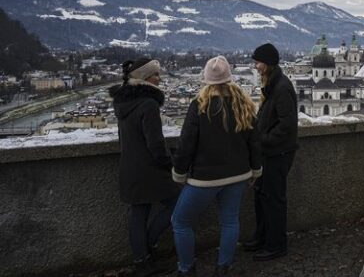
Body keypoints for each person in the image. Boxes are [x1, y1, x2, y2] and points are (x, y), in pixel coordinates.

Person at [171, 56, 262, 276]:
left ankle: (186, 268)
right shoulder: (243, 104)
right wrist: (256, 170)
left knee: (180, 221)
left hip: (205, 178)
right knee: (230, 221)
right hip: (238, 175)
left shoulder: (199, 105)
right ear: (228, 77)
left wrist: (179, 173)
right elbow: (255, 142)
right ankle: (223, 267)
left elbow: (186, 144)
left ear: (207, 79)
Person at [109, 58, 178, 277]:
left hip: (130, 167)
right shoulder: (148, 104)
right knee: (178, 204)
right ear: (144, 78)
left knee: (138, 214)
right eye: (155, 75)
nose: (159, 78)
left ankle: (142, 260)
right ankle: (150, 243)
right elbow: (156, 144)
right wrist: (170, 163)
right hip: (149, 170)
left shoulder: (123, 103)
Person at [242, 43, 298, 261]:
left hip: (278, 153)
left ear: (267, 64)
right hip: (270, 152)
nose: (255, 66)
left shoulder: (281, 87)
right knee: (262, 196)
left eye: (258, 62)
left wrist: (262, 139)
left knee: (273, 199)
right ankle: (263, 237)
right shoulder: (274, 85)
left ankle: (276, 244)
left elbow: (287, 125)